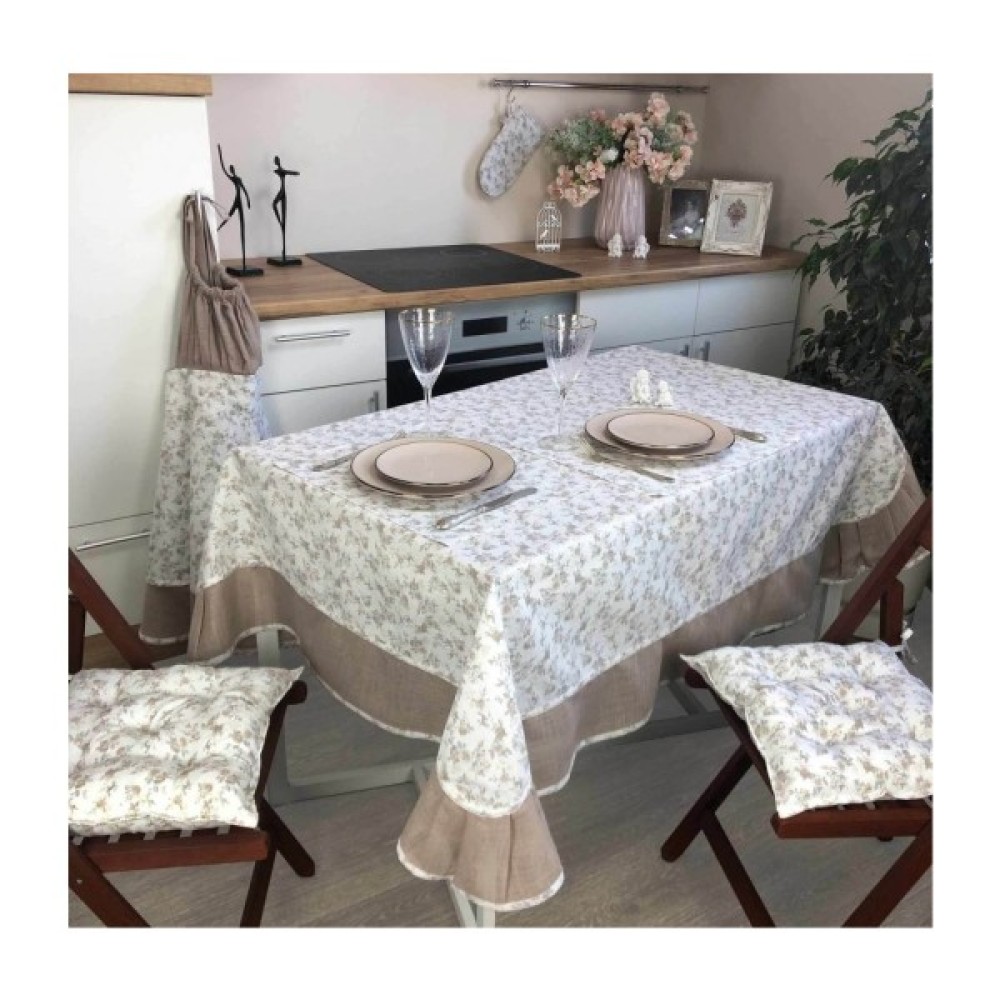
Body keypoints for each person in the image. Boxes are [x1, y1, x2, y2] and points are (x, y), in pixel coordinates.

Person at [270, 156, 300, 262]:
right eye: (275, 161)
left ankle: (281, 222)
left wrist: (291, 172)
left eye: (276, 160)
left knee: (278, 208)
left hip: (283, 192)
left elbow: (294, 173)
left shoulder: (281, 170)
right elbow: (287, 172)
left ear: (278, 161)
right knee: (274, 205)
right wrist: (291, 172)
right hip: (282, 191)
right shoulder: (278, 170)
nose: (276, 162)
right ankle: (280, 221)